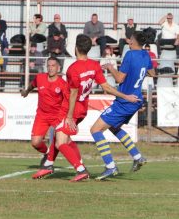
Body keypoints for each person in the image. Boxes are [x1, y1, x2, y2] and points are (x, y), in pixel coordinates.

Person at [32, 35, 139, 181]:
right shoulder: (94, 65)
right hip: (82, 109)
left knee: (60, 142)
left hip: (70, 109)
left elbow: (74, 93)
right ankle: (49, 165)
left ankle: (80, 170)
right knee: (61, 136)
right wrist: (125, 96)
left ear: (76, 48)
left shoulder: (73, 69)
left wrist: (69, 116)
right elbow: (106, 86)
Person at [90, 31, 156, 180]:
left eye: (130, 38)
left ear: (133, 41)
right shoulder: (146, 55)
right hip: (136, 100)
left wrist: (110, 67)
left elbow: (120, 79)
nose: (128, 40)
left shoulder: (130, 54)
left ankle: (110, 166)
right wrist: (139, 71)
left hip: (125, 101)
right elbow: (152, 73)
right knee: (114, 127)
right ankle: (137, 156)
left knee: (95, 130)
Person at [21, 57, 68, 179]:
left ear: (58, 68)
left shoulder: (63, 84)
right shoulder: (40, 77)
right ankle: (47, 153)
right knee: (35, 143)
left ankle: (52, 165)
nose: (50, 68)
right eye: (49, 65)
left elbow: (68, 101)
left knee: (59, 144)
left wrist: (67, 117)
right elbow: (32, 85)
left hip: (56, 117)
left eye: (53, 65)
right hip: (41, 115)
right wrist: (26, 91)